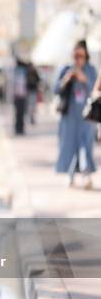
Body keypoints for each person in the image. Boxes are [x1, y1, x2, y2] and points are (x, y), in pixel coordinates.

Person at [54, 40, 98, 189]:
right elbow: (55, 89)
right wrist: (66, 79)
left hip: (87, 115)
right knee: (70, 146)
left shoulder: (91, 70)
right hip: (70, 115)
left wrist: (83, 78)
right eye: (76, 55)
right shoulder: (66, 69)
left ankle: (86, 176)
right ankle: (70, 176)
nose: (78, 58)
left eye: (81, 55)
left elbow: (95, 89)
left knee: (86, 146)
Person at [13, 58, 28, 135]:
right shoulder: (22, 72)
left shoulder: (18, 72)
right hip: (20, 96)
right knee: (20, 113)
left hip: (19, 96)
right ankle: (19, 128)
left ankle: (19, 128)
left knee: (19, 113)